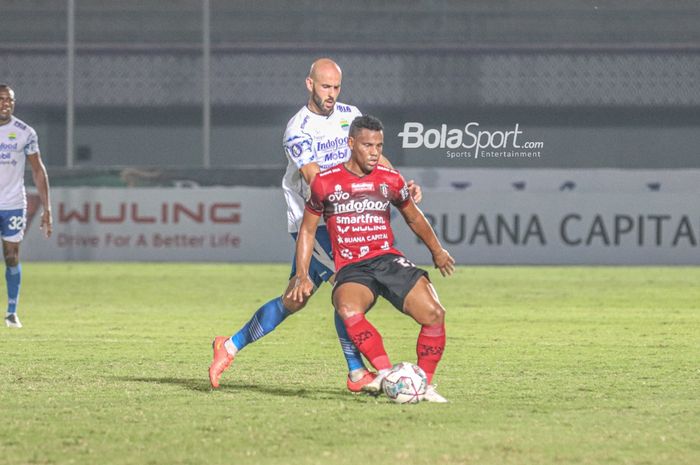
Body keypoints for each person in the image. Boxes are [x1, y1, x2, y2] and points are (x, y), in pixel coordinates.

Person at [209, 59, 422, 391]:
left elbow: (375, 159)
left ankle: (230, 345)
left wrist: (399, 186)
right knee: (346, 282)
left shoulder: (350, 115)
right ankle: (361, 373)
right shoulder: (298, 129)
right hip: (314, 223)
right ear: (309, 84)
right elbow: (315, 180)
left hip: (343, 222)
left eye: (337, 87)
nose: (332, 94)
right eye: (325, 87)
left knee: (298, 298)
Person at [288, 114, 455, 402]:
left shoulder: (389, 179)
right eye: (368, 145)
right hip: (353, 267)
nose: (375, 152)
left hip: (387, 258)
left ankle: (422, 385)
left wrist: (437, 251)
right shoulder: (325, 183)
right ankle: (387, 374)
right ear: (351, 144)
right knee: (348, 309)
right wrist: (301, 274)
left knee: (434, 314)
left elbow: (414, 218)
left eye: (379, 145)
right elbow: (307, 229)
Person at [0, 84, 52, 328]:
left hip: (12, 203)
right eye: (1, 99)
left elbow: (38, 171)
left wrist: (47, 208)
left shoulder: (25, 132)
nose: (5, 104)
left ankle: (11, 312)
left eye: (9, 100)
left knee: (11, 256)